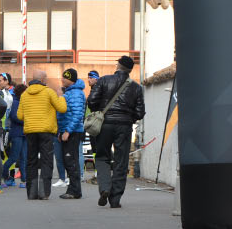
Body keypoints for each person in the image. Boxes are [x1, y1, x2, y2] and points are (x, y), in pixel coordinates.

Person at [87, 55, 146, 209]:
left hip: (105, 124)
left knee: (102, 157)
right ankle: (115, 199)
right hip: (125, 126)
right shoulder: (136, 87)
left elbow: (91, 101)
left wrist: (101, 111)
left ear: (118, 66)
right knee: (121, 161)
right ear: (130, 70)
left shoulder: (104, 80)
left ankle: (105, 188)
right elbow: (140, 113)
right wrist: (128, 118)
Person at [17, 68, 66, 200]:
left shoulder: (24, 94)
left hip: (30, 132)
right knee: (46, 161)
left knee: (31, 161)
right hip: (46, 131)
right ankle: (44, 193)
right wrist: (61, 97)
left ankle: (31, 193)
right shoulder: (49, 92)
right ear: (43, 79)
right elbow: (62, 108)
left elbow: (20, 115)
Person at [57, 68, 87, 199]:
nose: (62, 79)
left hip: (73, 132)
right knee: (68, 160)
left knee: (71, 161)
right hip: (67, 131)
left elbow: (77, 114)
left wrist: (67, 131)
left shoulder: (76, 93)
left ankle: (75, 191)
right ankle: (73, 190)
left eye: (65, 77)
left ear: (72, 79)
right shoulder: (70, 92)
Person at [4, 81, 28, 187]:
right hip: (17, 133)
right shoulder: (16, 102)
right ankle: (3, 175)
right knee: (14, 157)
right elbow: (14, 117)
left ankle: (24, 180)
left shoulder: (22, 102)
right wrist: (26, 121)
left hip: (23, 133)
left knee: (23, 158)